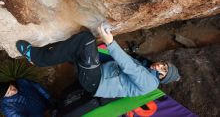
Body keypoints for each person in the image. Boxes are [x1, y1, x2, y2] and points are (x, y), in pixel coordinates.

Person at [16, 25, 180, 98]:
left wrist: (110, 42)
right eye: (164, 65)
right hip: (100, 72)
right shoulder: (146, 65)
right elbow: (124, 60)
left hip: (96, 81)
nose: (160, 67)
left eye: (163, 71)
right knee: (79, 42)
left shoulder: (150, 83)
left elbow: (129, 67)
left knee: (86, 39)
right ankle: (43, 52)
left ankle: (38, 58)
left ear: (161, 78)